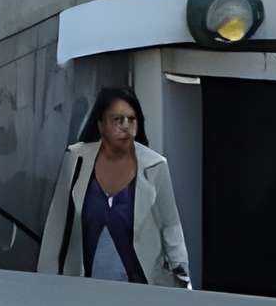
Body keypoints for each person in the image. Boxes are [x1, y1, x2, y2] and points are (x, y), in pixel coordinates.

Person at [38, 87, 190, 287]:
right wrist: (44, 283)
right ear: (101, 124)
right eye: (118, 120)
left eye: (131, 119)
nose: (125, 126)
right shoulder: (76, 160)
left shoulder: (155, 166)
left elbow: (171, 229)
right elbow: (56, 228)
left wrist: (184, 285)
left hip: (141, 290)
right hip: (83, 291)